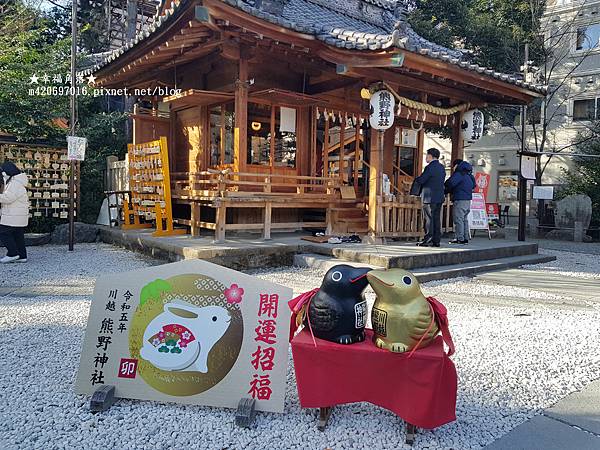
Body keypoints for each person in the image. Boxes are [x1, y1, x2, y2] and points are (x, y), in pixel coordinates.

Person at [414, 148, 446, 247]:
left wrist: (417, 179)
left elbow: (422, 180)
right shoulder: (441, 167)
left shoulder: (429, 167)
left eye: (427, 155)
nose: (426, 157)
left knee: (428, 218)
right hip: (439, 196)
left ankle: (428, 239)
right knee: (436, 218)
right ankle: (436, 240)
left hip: (429, 197)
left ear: (430, 156)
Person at [0, 161, 29, 263]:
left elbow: (8, 198)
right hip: (17, 215)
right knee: (18, 235)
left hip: (13, 215)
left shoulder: (15, 183)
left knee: (3, 232)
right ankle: (22, 256)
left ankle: (13, 253)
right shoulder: (17, 181)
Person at [445, 159, 476, 244]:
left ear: (457, 165)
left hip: (460, 199)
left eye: (453, 166)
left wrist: (446, 189)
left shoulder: (459, 174)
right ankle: (465, 238)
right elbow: (474, 185)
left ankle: (460, 238)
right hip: (468, 200)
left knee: (458, 219)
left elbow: (450, 183)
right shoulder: (469, 174)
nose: (453, 168)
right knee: (464, 219)